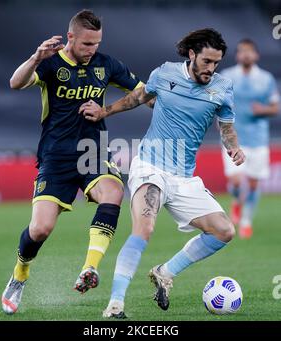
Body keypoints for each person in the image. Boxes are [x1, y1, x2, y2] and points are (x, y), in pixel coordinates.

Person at [80, 28, 245, 318]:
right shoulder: (165, 74)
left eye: (216, 63)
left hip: (184, 177)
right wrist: (105, 112)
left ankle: (164, 272)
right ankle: (115, 304)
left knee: (224, 231)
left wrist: (234, 148)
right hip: (150, 167)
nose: (211, 68)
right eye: (207, 61)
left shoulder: (222, 87)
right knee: (145, 228)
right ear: (192, 54)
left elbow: (227, 127)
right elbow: (137, 98)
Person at [1, 9, 146, 315]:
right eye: (86, 44)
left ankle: (89, 268)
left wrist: (108, 111)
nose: (92, 49)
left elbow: (143, 93)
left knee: (114, 192)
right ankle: (20, 274)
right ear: (71, 37)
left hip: (93, 152)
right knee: (40, 229)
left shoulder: (106, 64)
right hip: (55, 156)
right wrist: (36, 57)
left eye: (96, 43)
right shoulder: (51, 63)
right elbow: (16, 83)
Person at [221, 39, 280, 239]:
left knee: (254, 184)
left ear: (256, 55)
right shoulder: (227, 77)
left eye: (249, 51)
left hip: (258, 139)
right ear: (238, 55)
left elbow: (275, 107)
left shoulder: (266, 78)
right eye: (242, 52)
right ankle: (236, 202)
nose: (246, 55)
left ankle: (246, 221)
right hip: (233, 138)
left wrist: (263, 110)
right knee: (236, 181)